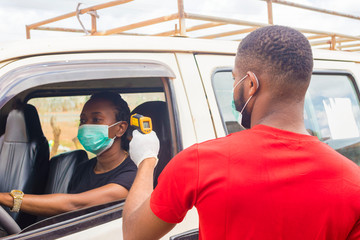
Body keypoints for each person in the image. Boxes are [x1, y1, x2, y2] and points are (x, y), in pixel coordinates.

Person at [123, 26, 360, 240]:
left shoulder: (198, 162)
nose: (234, 86)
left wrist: (146, 160)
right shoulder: (354, 182)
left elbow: (134, 235)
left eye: (234, 79)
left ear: (251, 84)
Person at [0, 92, 137, 217]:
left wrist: (7, 198)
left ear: (120, 128)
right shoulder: (83, 168)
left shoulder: (132, 175)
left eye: (96, 120)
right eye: (83, 121)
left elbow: (75, 205)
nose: (86, 126)